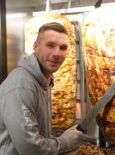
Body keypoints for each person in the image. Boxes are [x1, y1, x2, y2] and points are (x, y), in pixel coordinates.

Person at [0, 22, 92, 155]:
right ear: (36, 47)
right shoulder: (22, 86)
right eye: (50, 45)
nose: (57, 53)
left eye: (63, 48)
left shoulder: (43, 80)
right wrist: (64, 142)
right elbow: (30, 149)